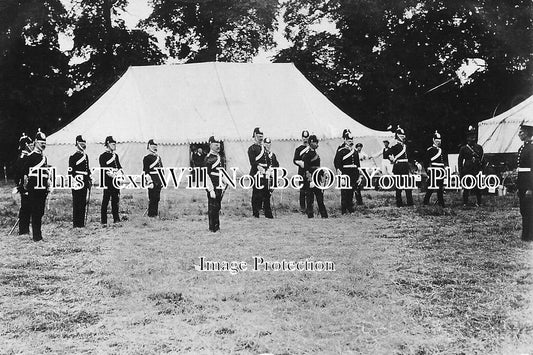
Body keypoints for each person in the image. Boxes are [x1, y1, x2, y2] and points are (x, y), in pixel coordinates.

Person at [23, 129, 50, 241]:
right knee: (35, 211)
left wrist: (48, 183)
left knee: (41, 211)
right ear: (35, 142)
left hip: (42, 187)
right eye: (41, 142)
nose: (43, 144)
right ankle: (36, 236)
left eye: (44, 142)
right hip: (34, 188)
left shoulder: (44, 158)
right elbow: (25, 174)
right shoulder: (30, 157)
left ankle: (39, 234)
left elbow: (45, 173)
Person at [334, 130, 360, 213]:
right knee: (344, 191)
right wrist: (338, 169)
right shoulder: (341, 151)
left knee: (351, 191)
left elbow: (357, 164)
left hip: (353, 173)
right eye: (349, 141)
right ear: (345, 140)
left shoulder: (355, 151)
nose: (350, 142)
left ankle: (350, 207)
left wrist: (359, 174)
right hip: (345, 172)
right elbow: (337, 162)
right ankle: (344, 209)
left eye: (351, 140)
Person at [303, 135, 328, 218]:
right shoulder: (307, 155)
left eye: (317, 142)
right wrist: (310, 180)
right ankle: (310, 215)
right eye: (315, 142)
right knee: (310, 198)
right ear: (311, 143)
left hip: (317, 178)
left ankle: (324, 215)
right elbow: (306, 169)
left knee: (320, 197)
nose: (316, 144)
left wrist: (323, 173)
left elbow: (317, 167)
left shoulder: (316, 153)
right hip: (310, 178)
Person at [68, 135, 91, 227]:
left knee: (83, 202)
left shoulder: (86, 156)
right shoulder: (73, 157)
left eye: (84, 143)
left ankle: (81, 223)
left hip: (84, 181)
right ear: (77, 143)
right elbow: (70, 171)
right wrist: (73, 182)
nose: (84, 145)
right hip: (77, 182)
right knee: (77, 202)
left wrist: (89, 178)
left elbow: (87, 169)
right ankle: (76, 224)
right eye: (82, 143)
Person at [458, 126, 484, 206]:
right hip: (467, 170)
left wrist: (481, 170)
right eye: (470, 136)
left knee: (477, 187)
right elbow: (460, 161)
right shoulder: (463, 148)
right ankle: (465, 202)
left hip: (476, 170)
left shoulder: (479, 148)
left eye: (473, 136)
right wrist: (461, 171)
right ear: (467, 138)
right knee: (466, 187)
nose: (472, 138)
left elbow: (482, 159)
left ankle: (479, 202)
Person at [99, 136, 122, 224]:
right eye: (113, 144)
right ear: (108, 144)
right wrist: (114, 175)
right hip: (108, 181)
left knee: (115, 200)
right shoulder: (103, 156)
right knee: (105, 201)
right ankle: (103, 220)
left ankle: (116, 218)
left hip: (116, 181)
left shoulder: (115, 156)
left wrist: (120, 174)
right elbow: (104, 169)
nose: (114, 145)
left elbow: (119, 167)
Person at [205, 136, 226, 232]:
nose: (218, 146)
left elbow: (221, 172)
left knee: (217, 206)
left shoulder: (219, 157)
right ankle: (212, 227)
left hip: (219, 185)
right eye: (216, 144)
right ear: (210, 145)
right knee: (212, 207)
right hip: (212, 185)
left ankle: (217, 227)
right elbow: (206, 175)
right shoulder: (208, 158)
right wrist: (210, 189)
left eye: (219, 144)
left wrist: (225, 181)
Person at [13, 133, 33, 235]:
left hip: (27, 186)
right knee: (25, 208)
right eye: (31, 144)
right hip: (24, 186)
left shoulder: (26, 157)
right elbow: (19, 173)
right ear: (26, 145)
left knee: (28, 208)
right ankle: (23, 230)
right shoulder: (23, 157)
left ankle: (25, 229)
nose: (32, 145)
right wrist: (21, 186)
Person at [389, 126, 413, 207]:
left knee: (408, 185)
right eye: (401, 136)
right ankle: (399, 203)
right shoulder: (395, 146)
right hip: (398, 167)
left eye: (404, 136)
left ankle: (410, 202)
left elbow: (409, 157)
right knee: (399, 186)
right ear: (398, 136)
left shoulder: (405, 146)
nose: (403, 137)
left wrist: (415, 163)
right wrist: (391, 158)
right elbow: (387, 153)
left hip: (405, 167)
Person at [517, 122, 533, 241]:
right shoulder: (522, 148)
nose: (519, 134)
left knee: (529, 209)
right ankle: (525, 234)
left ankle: (530, 235)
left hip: (528, 183)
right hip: (522, 182)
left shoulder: (531, 148)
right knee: (523, 209)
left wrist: (530, 188)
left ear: (527, 133)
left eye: (521, 132)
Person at [423, 131, 446, 207]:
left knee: (440, 188)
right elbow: (426, 162)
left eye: (439, 141)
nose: (438, 142)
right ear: (433, 140)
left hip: (440, 171)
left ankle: (441, 203)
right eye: (437, 141)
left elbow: (443, 162)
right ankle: (425, 202)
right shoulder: (430, 150)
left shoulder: (441, 150)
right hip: (433, 171)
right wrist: (428, 171)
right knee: (431, 187)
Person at [248, 127, 266, 218]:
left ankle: (261, 209)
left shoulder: (264, 148)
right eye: (259, 136)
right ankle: (255, 212)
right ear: (255, 136)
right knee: (256, 193)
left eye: (262, 136)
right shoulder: (252, 148)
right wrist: (259, 167)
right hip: (256, 173)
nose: (261, 138)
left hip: (264, 173)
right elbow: (252, 162)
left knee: (263, 192)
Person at [143, 139, 163, 217]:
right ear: (149, 146)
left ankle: (155, 213)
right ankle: (151, 214)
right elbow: (146, 171)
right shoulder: (147, 158)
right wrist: (149, 181)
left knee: (157, 197)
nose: (155, 147)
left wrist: (162, 180)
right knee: (152, 197)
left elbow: (161, 169)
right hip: (152, 178)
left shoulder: (158, 157)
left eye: (156, 146)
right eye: (153, 146)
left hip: (158, 179)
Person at [261, 137, 279, 218]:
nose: (268, 145)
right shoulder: (262, 154)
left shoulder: (273, 155)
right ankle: (267, 212)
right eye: (266, 143)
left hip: (271, 176)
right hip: (264, 176)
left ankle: (266, 209)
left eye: (269, 143)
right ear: (263, 144)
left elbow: (276, 165)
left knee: (269, 193)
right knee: (265, 194)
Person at [293, 130, 310, 212]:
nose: (305, 139)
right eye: (304, 137)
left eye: (307, 137)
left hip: (309, 172)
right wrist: (300, 163)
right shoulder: (298, 149)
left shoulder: (311, 148)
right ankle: (303, 208)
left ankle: (309, 207)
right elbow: (295, 160)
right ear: (302, 138)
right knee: (302, 190)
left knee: (310, 191)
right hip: (301, 172)